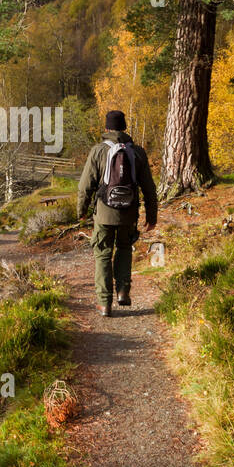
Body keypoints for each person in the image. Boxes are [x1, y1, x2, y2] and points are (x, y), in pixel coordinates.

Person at [76, 109, 158, 317]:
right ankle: (123, 291)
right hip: (129, 213)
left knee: (103, 254)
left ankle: (104, 303)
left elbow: (85, 185)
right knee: (124, 248)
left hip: (104, 213)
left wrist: (81, 211)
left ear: (106, 128)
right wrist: (151, 215)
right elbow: (148, 187)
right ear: (124, 127)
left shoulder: (98, 151)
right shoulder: (138, 152)